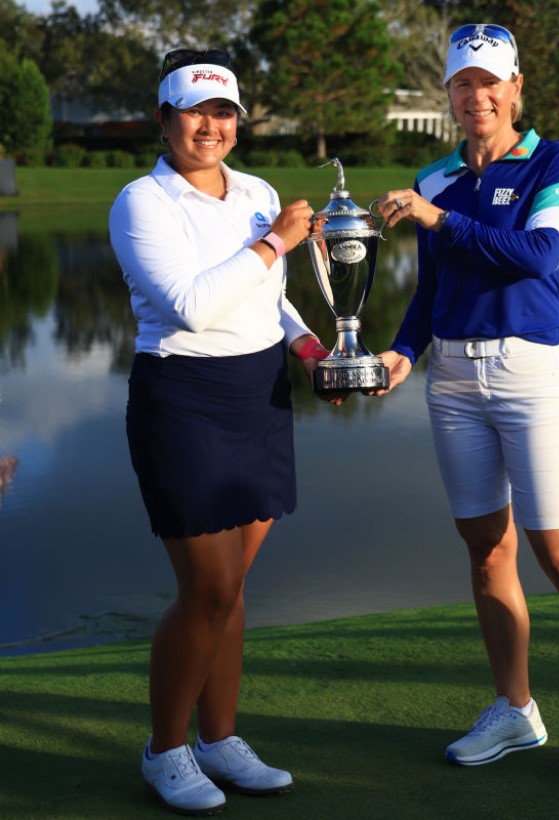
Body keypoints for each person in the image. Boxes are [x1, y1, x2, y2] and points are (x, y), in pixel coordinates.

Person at [372, 23, 559, 791]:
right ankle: (516, 707)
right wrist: (404, 351)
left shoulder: (553, 161)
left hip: (532, 373)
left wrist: (439, 220)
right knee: (486, 550)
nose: (477, 95)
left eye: (489, 81)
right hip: (455, 382)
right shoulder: (434, 175)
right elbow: (431, 289)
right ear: (448, 94)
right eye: (462, 83)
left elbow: (541, 255)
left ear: (516, 87)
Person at [109, 49, 330, 816]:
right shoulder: (143, 201)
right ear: (166, 120)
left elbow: (273, 296)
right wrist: (275, 241)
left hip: (259, 393)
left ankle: (220, 738)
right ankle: (164, 750)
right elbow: (191, 306)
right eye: (195, 112)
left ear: (240, 119)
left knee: (233, 589)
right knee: (206, 587)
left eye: (225, 112)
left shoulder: (259, 192)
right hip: (184, 397)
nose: (211, 126)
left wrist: (308, 348)